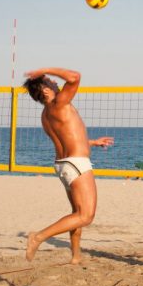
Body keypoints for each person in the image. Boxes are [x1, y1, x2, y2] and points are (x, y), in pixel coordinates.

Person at [23, 67, 114, 264]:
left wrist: (93, 142)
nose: (55, 82)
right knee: (86, 216)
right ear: (46, 91)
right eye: (50, 81)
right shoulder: (59, 103)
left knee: (77, 213)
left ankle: (75, 256)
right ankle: (37, 237)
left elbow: (68, 137)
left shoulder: (46, 114)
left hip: (63, 165)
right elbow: (75, 77)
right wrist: (45, 70)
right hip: (76, 164)